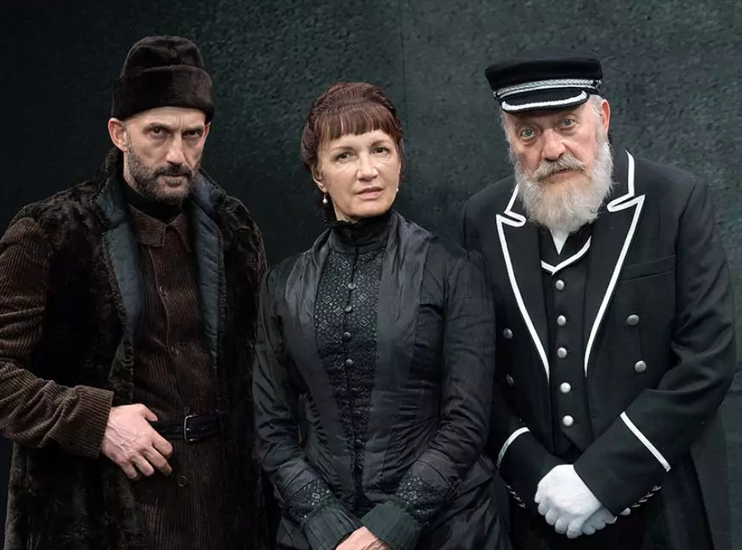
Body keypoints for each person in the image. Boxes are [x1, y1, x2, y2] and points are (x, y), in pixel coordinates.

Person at [0, 36, 270, 550]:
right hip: (98, 515)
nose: (177, 155)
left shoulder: (234, 230)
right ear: (119, 133)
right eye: (157, 133)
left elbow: (262, 374)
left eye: (192, 135)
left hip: (222, 511)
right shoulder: (54, 232)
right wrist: (95, 420)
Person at [460, 47, 736, 550]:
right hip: (538, 511)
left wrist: (601, 481)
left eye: (567, 123)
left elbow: (707, 361)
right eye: (528, 133)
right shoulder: (483, 219)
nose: (551, 149)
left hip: (662, 505)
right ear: (510, 139)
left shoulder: (674, 200)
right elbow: (474, 372)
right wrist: (536, 472)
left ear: (602, 117)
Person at [253, 82, 510, 550]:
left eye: (380, 149)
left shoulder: (454, 270)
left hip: (447, 529)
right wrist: (326, 524)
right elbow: (271, 427)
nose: (368, 170)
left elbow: (467, 421)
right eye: (345, 155)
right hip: (318, 535)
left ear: (400, 160)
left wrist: (390, 527)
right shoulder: (282, 284)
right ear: (318, 174)